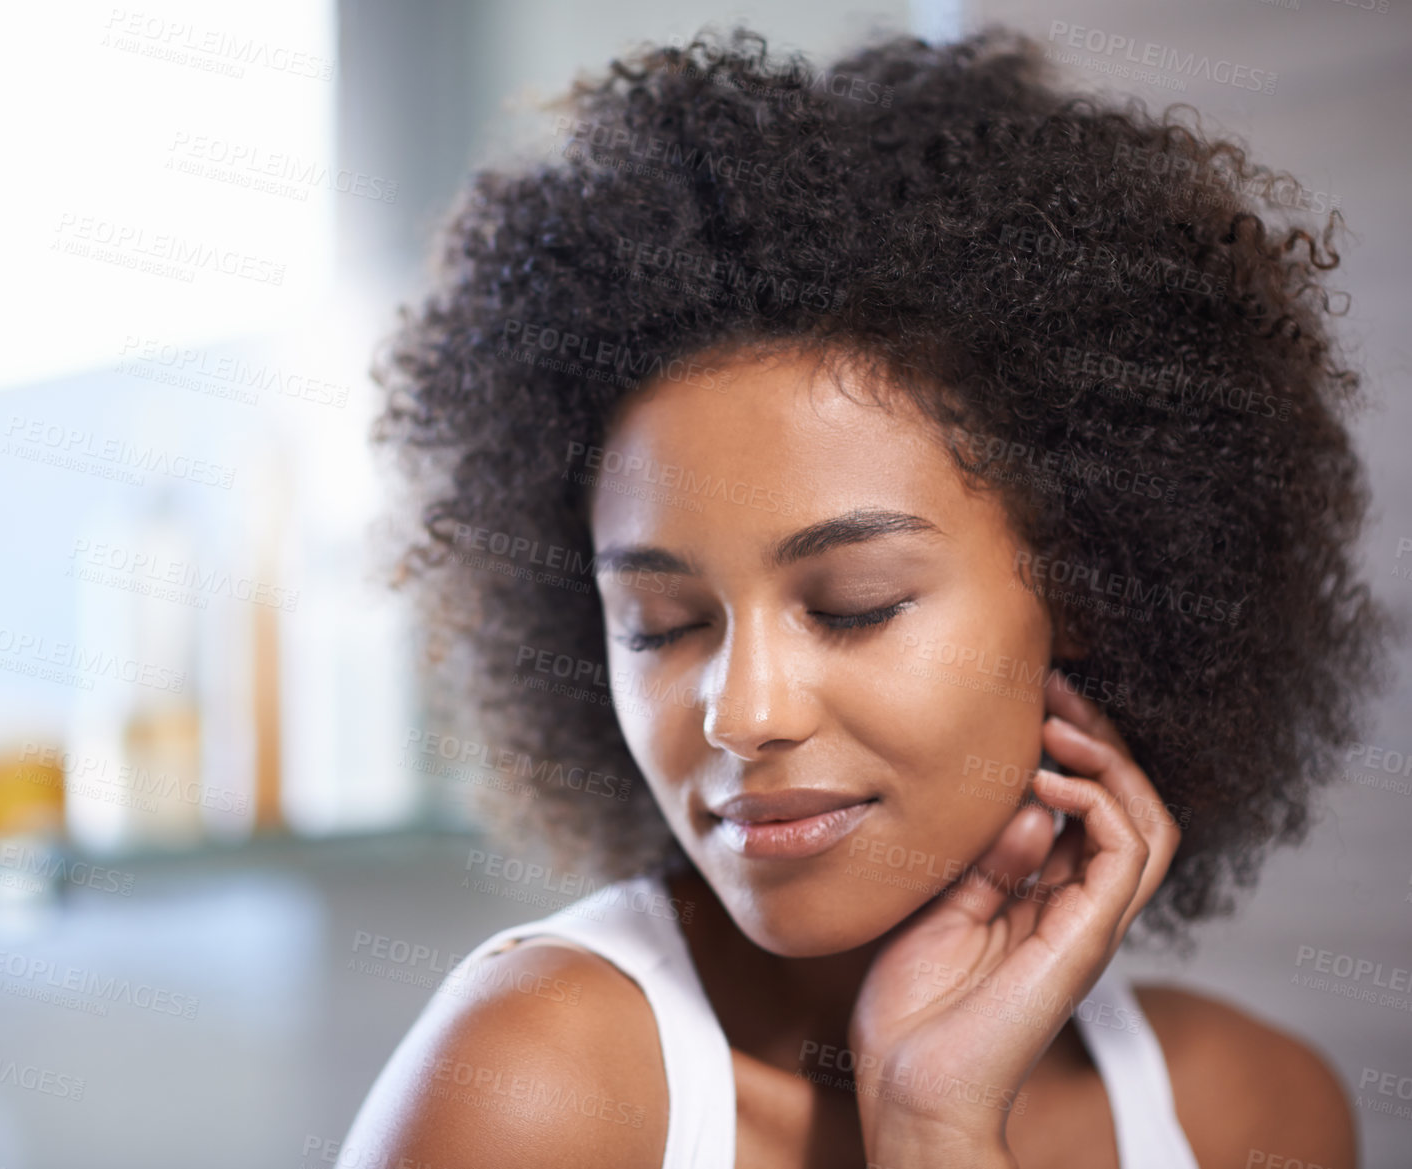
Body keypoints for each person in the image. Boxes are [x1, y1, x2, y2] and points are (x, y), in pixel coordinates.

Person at [346, 25, 1391, 1169]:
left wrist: (935, 1124)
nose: (740, 713)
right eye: (662, 625)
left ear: (1086, 586)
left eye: (849, 604)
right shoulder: (531, 1089)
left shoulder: (1249, 1113)